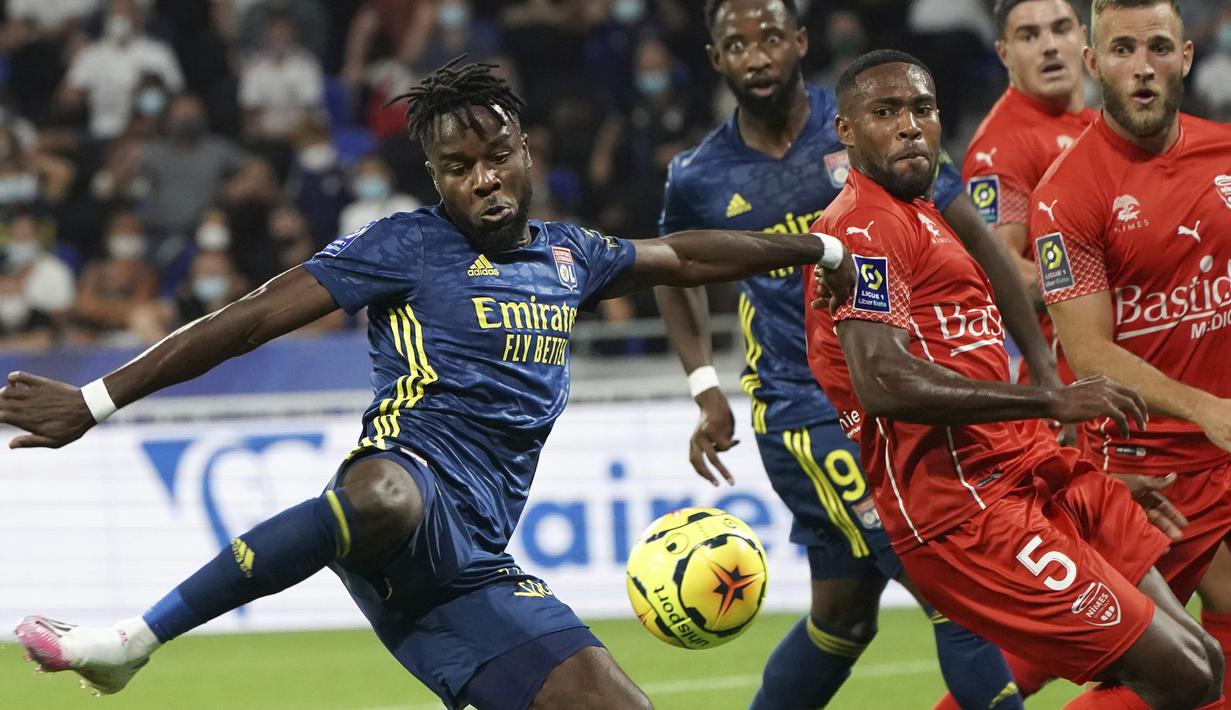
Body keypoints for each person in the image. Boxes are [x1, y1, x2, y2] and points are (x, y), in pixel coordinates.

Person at [3, 59, 853, 710]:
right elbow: (251, 318)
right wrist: (94, 400)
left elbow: (691, 255)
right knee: (382, 496)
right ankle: (131, 640)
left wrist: (816, 248)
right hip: (402, 491)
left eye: (495, 157)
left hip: (474, 562)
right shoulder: (402, 247)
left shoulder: (570, 256)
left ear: (526, 152)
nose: (480, 178)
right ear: (436, 177)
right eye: (456, 167)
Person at [657, 1, 1058, 707]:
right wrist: (703, 386)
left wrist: (1043, 366)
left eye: (770, 38)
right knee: (949, 586)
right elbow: (671, 270)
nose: (757, 57)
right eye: (737, 45)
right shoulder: (698, 176)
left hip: (896, 391)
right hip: (808, 412)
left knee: (841, 620)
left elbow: (984, 246)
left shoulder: (869, 122)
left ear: (799, 43)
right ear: (715, 59)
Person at [804, 48, 1221, 710]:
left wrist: (1065, 457)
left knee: (1203, 665)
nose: (909, 126)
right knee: (1181, 674)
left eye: (921, 109)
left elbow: (965, 358)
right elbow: (882, 381)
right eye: (885, 112)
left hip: (1024, 475)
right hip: (963, 515)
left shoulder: (925, 219)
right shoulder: (864, 224)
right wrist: (1052, 396)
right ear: (845, 131)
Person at [1031, 0, 1231, 704]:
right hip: (1143, 475)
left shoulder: (1224, 153)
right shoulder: (1067, 196)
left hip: (1223, 453)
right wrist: (1205, 408)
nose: (1140, 66)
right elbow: (1087, 352)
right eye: (1120, 49)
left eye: (1155, 47)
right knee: (1050, 665)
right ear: (1092, 64)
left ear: (1184, 55)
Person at [962, 0, 1095, 387]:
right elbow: (1000, 265)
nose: (1049, 46)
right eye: (1029, 36)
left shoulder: (1095, 124)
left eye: (1060, 29)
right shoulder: (1003, 146)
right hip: (1070, 383)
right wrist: (1113, 286)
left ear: (1083, 39)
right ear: (1004, 53)